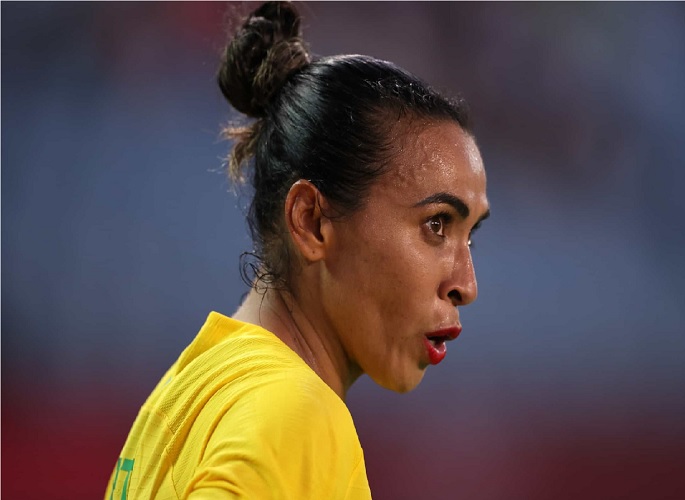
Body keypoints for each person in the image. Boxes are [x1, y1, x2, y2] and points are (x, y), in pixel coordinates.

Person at [105, 2, 490, 498]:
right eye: (436, 225)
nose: (466, 285)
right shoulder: (298, 418)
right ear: (311, 221)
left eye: (469, 235)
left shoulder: (181, 395)